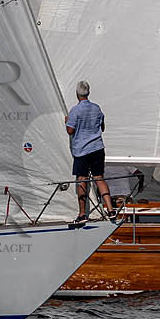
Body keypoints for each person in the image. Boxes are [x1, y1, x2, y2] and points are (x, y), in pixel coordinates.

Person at [66, 81, 113, 222]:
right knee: (99, 177)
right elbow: (102, 127)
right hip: (98, 148)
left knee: (82, 179)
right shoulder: (97, 108)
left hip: (82, 150)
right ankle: (110, 209)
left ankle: (82, 214)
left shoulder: (75, 111)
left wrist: (66, 121)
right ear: (89, 92)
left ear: (77, 94)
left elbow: (70, 130)